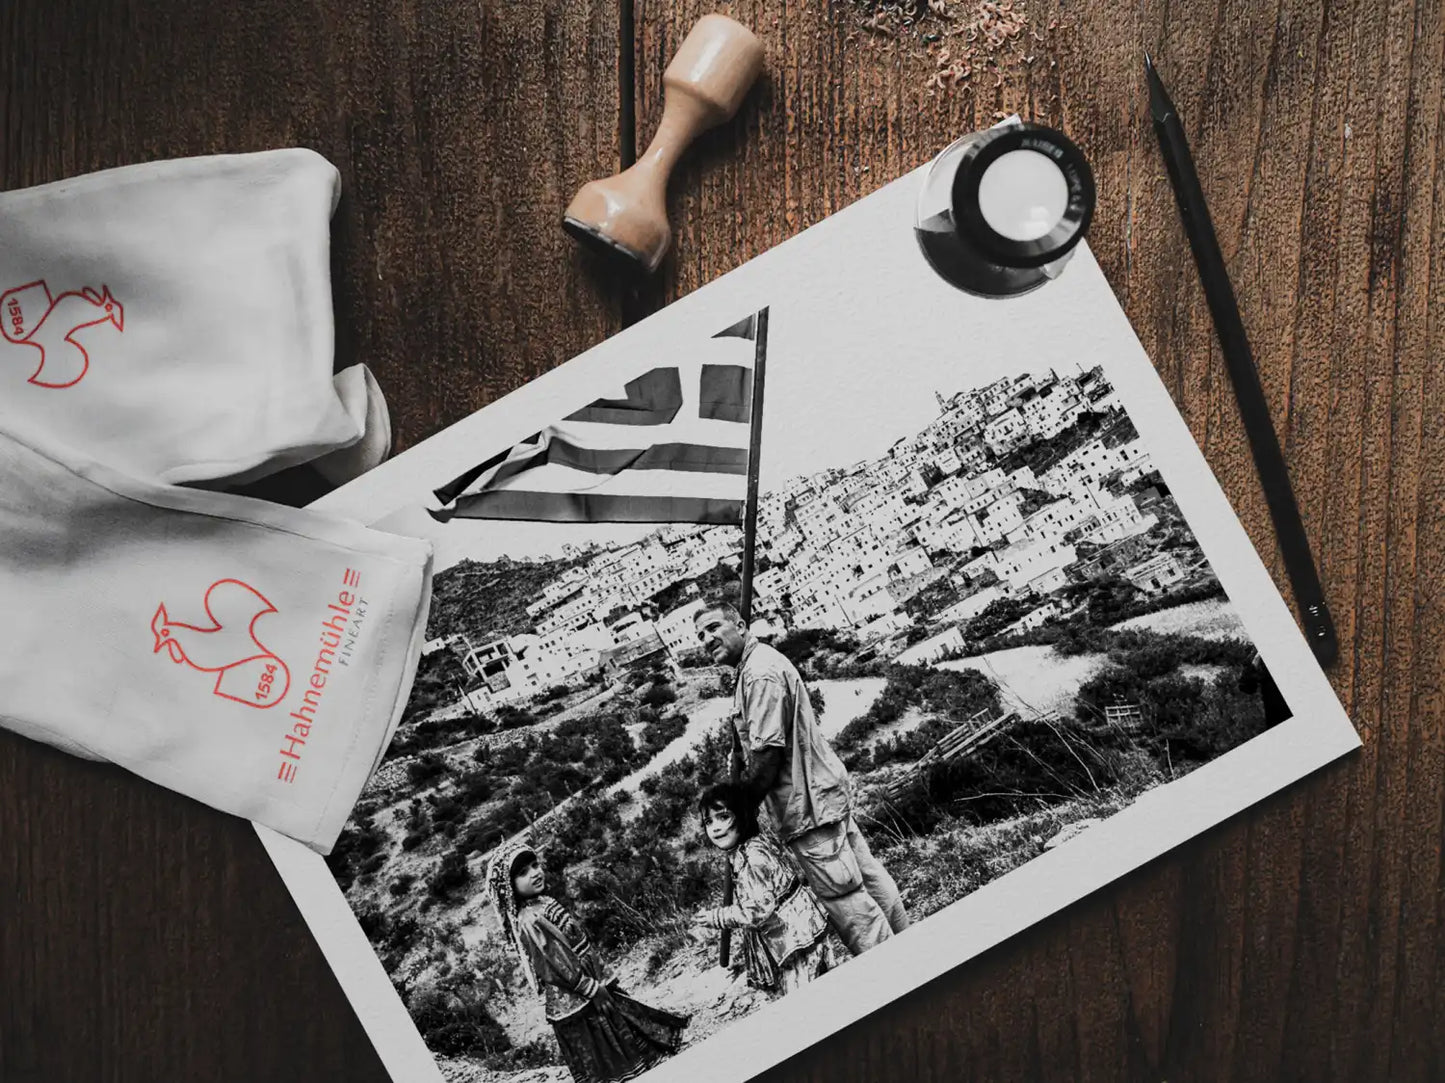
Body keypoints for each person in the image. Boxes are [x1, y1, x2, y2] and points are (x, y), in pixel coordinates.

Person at [694, 601, 910, 955]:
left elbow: (767, 757)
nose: (707, 638)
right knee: (870, 882)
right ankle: (912, 951)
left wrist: (739, 809)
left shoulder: (758, 674)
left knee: (850, 904)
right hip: (823, 793)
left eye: (715, 627)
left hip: (806, 805)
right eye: (700, 635)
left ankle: (895, 980)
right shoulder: (757, 663)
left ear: (741, 625)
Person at [484, 841, 689, 1083]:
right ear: (509, 887)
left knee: (615, 1018)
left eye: (534, 865)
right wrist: (589, 987)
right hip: (575, 987)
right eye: (523, 873)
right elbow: (555, 963)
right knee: (599, 1033)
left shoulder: (542, 902)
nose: (534, 873)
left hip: (587, 972)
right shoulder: (530, 918)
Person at [691, 782, 833, 994]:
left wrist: (717, 918)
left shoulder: (752, 860)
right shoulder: (755, 845)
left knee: (806, 1002)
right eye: (708, 822)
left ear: (742, 815)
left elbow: (756, 912)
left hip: (792, 943)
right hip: (804, 931)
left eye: (723, 817)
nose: (716, 828)